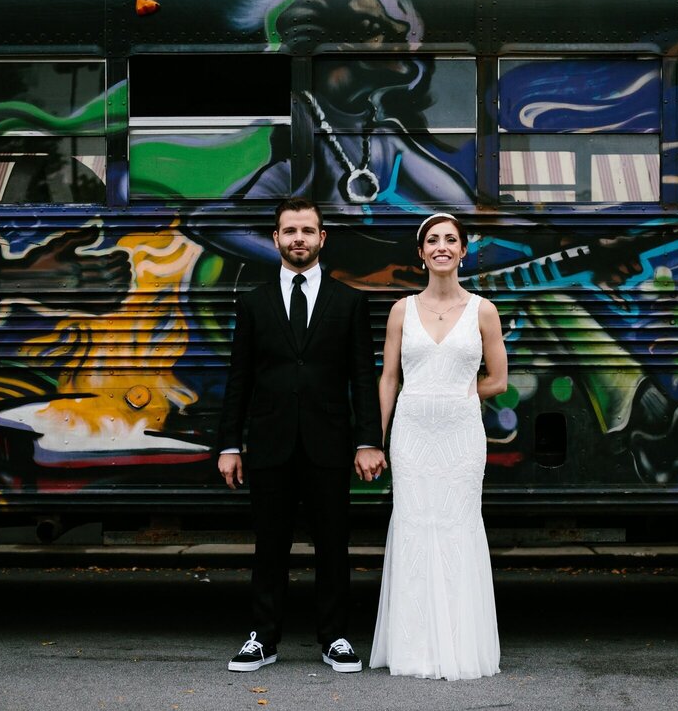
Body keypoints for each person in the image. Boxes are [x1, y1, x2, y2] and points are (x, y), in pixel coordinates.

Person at [217, 198, 386, 672]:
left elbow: (362, 375)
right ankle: (263, 639)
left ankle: (334, 638)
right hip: (269, 444)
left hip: (329, 442)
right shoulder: (252, 302)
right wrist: (230, 444)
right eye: (290, 231)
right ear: (276, 239)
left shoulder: (349, 301)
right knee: (270, 546)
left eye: (307, 231)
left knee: (333, 545)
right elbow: (239, 378)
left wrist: (367, 440)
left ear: (321, 238)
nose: (298, 239)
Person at [369, 213, 508, 680]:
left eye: (451, 240)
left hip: (461, 437)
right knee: (414, 528)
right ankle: (416, 648)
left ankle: (460, 644)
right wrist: (377, 440)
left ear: (463, 251)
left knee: (457, 526)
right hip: (412, 435)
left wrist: (468, 391)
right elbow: (389, 377)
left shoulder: (483, 310)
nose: (442, 246)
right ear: (421, 252)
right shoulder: (402, 310)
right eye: (433, 240)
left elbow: (499, 378)